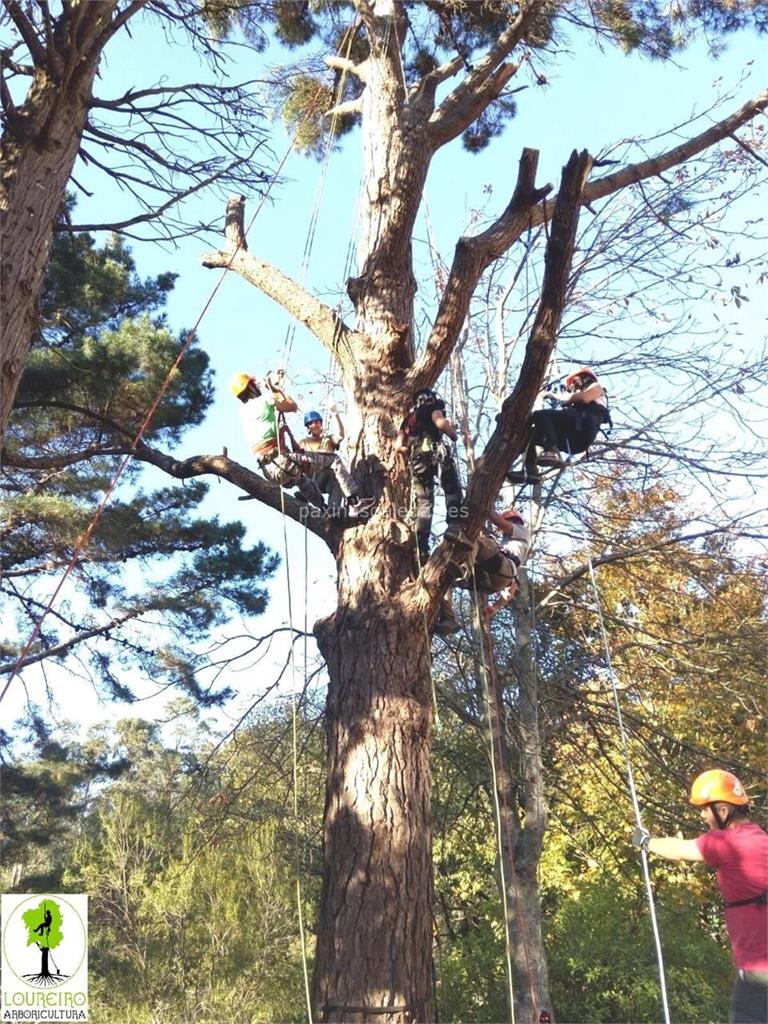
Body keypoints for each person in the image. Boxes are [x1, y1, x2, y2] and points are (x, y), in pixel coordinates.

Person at [632, 769, 768, 1024]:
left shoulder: (727, 842)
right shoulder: (760, 837)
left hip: (759, 970)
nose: (704, 816)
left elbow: (680, 849)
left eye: (706, 809)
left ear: (724, 811)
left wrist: (646, 842)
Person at [230, 372, 372, 518]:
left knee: (300, 478)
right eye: (254, 384)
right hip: (281, 461)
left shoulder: (243, 412)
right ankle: (355, 503)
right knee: (333, 460)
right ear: (251, 388)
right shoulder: (264, 401)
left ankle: (325, 510)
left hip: (268, 470)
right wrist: (275, 388)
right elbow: (292, 406)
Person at [396, 388, 466, 563]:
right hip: (436, 455)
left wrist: (412, 451)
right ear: (430, 398)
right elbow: (440, 422)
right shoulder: (432, 408)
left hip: (417, 462)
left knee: (425, 503)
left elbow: (399, 446)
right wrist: (453, 434)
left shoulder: (408, 420)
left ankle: (421, 547)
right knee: (452, 489)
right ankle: (454, 525)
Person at [508, 367, 610, 485]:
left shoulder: (597, 387)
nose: (573, 385)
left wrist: (555, 395)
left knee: (540, 415)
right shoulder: (576, 401)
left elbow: (583, 398)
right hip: (573, 436)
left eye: (574, 381)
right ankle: (530, 470)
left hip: (583, 427)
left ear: (585, 378)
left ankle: (551, 450)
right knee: (530, 434)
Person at [300, 407, 346, 503]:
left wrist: (336, 415)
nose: (314, 425)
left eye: (317, 422)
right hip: (312, 477)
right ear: (308, 428)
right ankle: (306, 494)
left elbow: (340, 435)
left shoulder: (328, 440)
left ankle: (334, 509)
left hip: (328, 479)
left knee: (338, 478)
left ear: (321, 424)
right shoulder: (304, 442)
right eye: (311, 423)